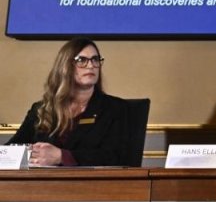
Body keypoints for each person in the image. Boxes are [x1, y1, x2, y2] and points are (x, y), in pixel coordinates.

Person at [7, 38, 128, 166]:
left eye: (95, 59)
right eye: (82, 60)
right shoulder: (41, 109)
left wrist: (62, 156)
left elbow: (116, 157)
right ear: (65, 66)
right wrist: (32, 155)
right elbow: (10, 150)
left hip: (91, 184)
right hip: (40, 183)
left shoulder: (116, 108)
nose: (91, 65)